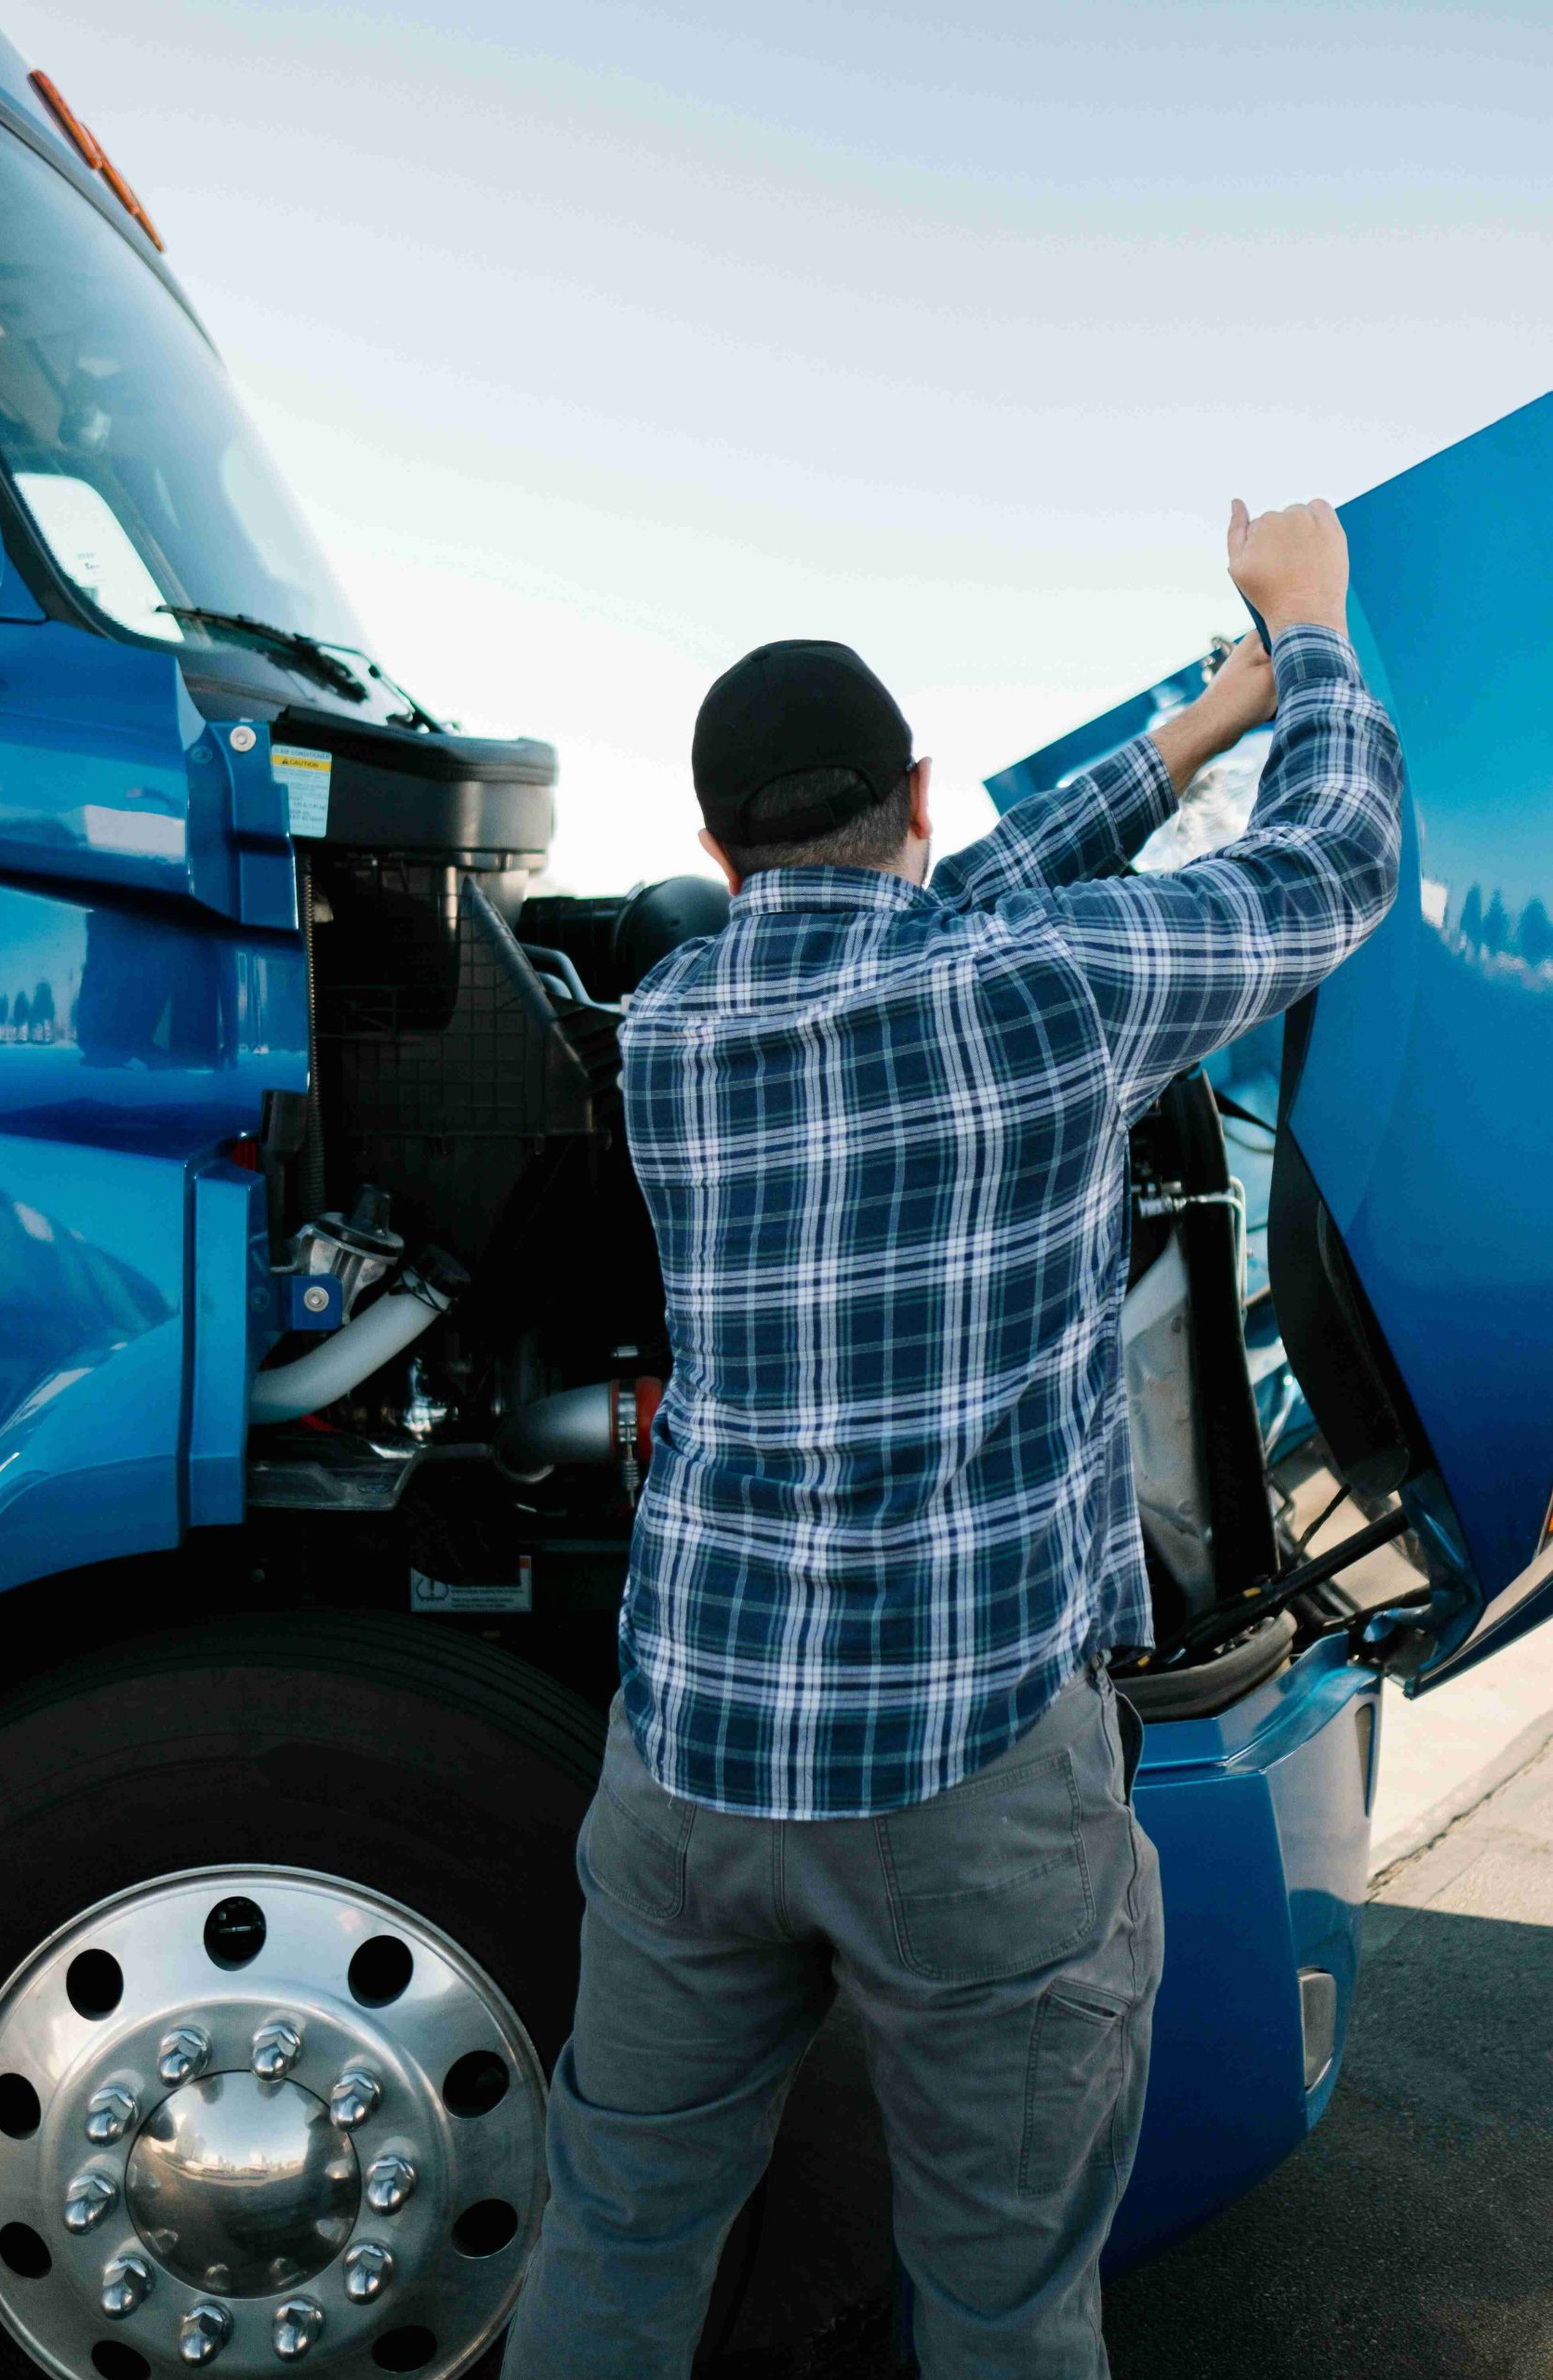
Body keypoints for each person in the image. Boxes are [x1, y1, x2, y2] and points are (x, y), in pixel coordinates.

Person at [500, 499, 1403, 2379]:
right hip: (967, 1774)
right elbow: (1330, 863)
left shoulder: (665, 1024)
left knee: (624, 2230)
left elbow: (952, 897)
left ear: (705, 843)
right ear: (908, 792)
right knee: (999, 2299)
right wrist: (1305, 636)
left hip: (690, 1768)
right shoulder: (1035, 997)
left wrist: (1182, 733)